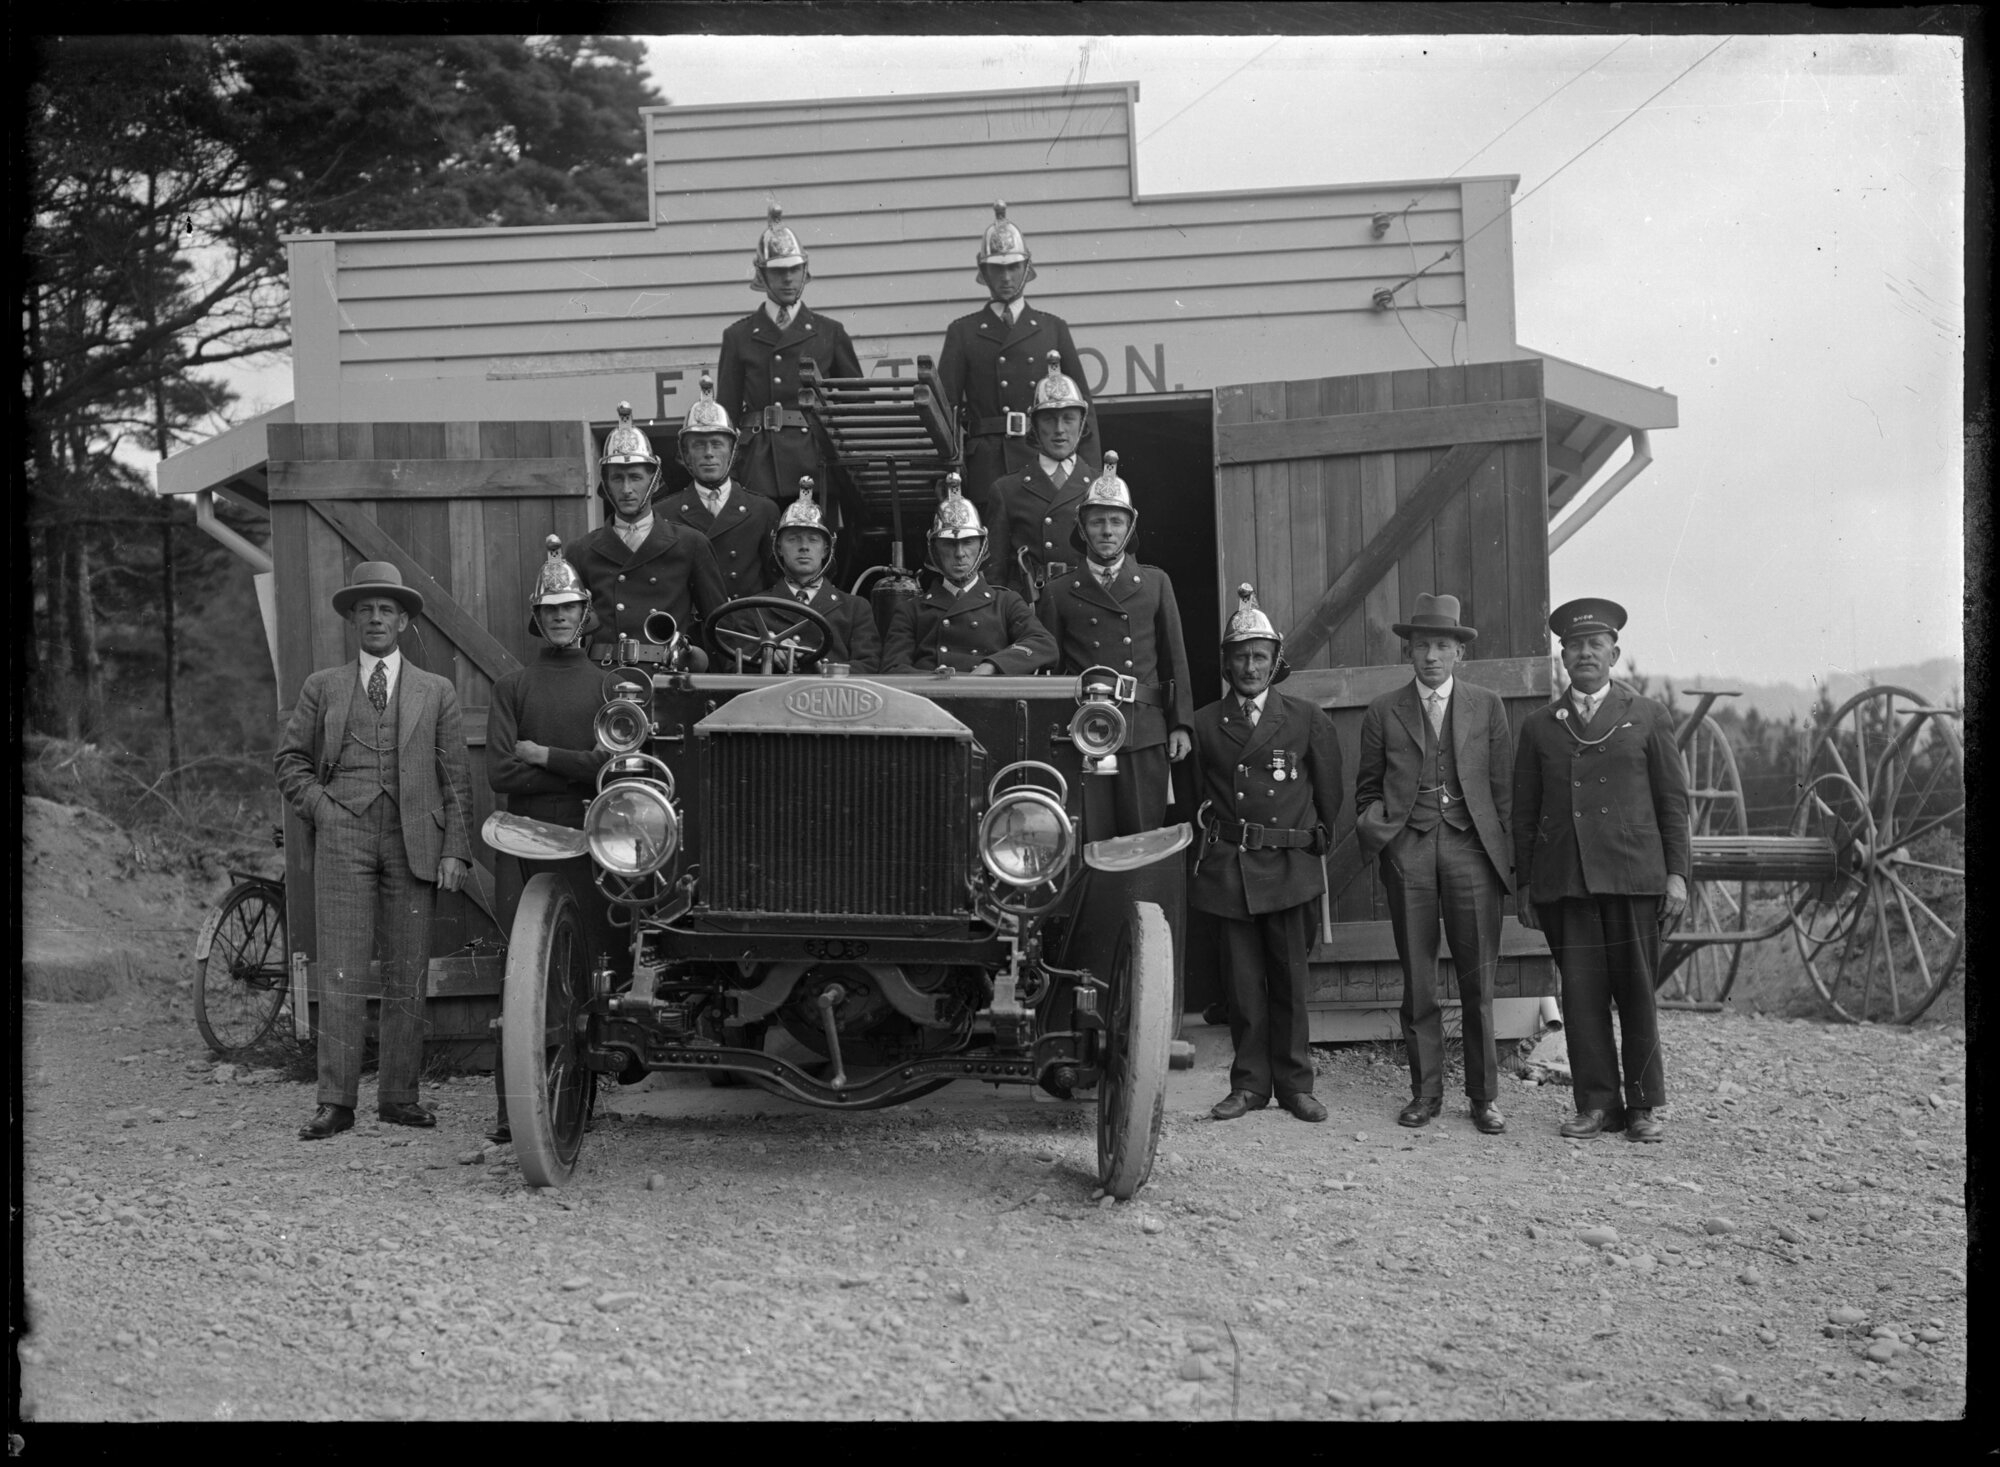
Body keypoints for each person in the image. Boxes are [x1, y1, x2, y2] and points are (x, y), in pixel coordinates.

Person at [273, 562, 473, 1140]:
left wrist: (455, 850)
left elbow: (456, 776)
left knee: (408, 970)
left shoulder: (437, 691)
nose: (377, 618)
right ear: (352, 620)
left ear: (404, 620)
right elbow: (290, 762)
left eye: (387, 609)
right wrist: (322, 808)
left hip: (415, 838)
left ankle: (398, 1097)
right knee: (341, 968)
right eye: (366, 609)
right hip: (344, 836)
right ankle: (336, 1101)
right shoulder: (324, 686)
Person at [1512, 597, 1690, 1143]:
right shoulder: (1541, 726)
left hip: (1634, 878)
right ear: (1562, 656)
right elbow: (1524, 811)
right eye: (1574, 646)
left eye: (1596, 645)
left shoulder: (1648, 715)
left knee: (1637, 992)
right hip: (1568, 882)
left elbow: (1673, 802)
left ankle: (1642, 1107)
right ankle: (1596, 1105)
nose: (1585, 653)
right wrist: (1526, 884)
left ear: (1614, 651)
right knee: (1582, 998)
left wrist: (1678, 875)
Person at [1354, 593, 1515, 1135]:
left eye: (1442, 646)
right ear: (1409, 651)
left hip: (1472, 850)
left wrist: (1503, 856)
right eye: (1422, 646)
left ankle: (1484, 1097)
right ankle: (1424, 1094)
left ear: (1458, 653)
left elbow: (1503, 791)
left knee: (1478, 980)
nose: (1431, 657)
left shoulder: (1487, 705)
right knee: (1418, 979)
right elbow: (1367, 790)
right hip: (1412, 850)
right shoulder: (1384, 710)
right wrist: (1390, 840)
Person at [1189, 585, 1343, 1124]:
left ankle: (1296, 1085)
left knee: (1291, 982)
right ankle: (1250, 1085)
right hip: (1231, 868)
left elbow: (1330, 796)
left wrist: (1309, 841)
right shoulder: (1205, 722)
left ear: (1276, 662)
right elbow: (1193, 797)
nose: (1250, 666)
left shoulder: (1304, 717)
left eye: (1259, 656)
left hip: (1289, 867)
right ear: (1227, 664)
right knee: (1243, 987)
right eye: (1240, 657)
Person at [483, 537, 617, 1142]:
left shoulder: (610, 686)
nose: (561, 618)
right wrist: (576, 761)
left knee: (583, 968)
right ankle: (514, 1112)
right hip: (527, 837)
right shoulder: (513, 687)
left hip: (593, 834)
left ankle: (575, 1105)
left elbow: (612, 767)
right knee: (525, 971)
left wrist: (545, 754)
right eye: (550, 610)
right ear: (536, 618)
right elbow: (500, 773)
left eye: (570, 608)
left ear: (584, 614)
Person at [1034, 452, 1194, 834]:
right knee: (1089, 837)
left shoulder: (1156, 584)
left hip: (1143, 731)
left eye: (1116, 521)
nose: (1107, 531)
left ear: (1130, 526)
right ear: (1083, 528)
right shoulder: (1058, 592)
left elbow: (1176, 660)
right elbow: (1051, 671)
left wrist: (1181, 724)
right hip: (1084, 733)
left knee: (1142, 838)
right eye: (1098, 521)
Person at [936, 202, 1101, 524]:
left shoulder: (1052, 328)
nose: (1006, 277)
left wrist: (1092, 473)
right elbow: (946, 412)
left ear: (1027, 268)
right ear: (983, 272)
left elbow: (1085, 409)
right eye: (997, 269)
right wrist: (948, 474)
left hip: (1043, 456)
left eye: (1013, 267)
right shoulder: (963, 331)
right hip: (987, 463)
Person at [715, 205, 864, 507]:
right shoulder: (738, 337)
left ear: (805, 271)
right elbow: (726, 415)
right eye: (778, 271)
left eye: (794, 270)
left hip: (816, 459)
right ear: (762, 276)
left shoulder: (830, 332)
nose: (787, 279)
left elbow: (855, 405)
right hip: (760, 462)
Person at [565, 399, 727, 664]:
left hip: (668, 679)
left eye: (636, 477)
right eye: (617, 478)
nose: (627, 488)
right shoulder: (581, 550)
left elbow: (717, 626)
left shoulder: (690, 544)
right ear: (605, 484)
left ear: (653, 480)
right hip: (603, 677)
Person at [880, 474, 1056, 676]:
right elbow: (892, 668)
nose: (960, 553)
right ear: (934, 549)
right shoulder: (911, 611)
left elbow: (1043, 644)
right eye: (949, 544)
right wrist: (933, 680)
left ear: (982, 545)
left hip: (987, 699)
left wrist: (991, 666)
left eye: (968, 542)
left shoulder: (1005, 602)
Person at [657, 374, 781, 602]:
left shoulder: (763, 510)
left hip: (749, 630)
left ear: (732, 451)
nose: (708, 453)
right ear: (685, 454)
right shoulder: (664, 514)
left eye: (716, 444)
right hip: (693, 633)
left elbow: (777, 583)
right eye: (698, 445)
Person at [989, 352, 1098, 601]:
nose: (1059, 429)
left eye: (1068, 419)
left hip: (1086, 610)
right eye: (1049, 419)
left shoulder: (1100, 485)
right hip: (1030, 612)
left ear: (1081, 424)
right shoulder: (1006, 490)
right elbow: (995, 576)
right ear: (1035, 427)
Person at [749, 478, 880, 673]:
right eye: (793, 539)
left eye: (813, 539)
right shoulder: (754, 608)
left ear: (826, 549)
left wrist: (824, 669)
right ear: (779, 548)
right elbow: (735, 664)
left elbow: (869, 666)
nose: (804, 547)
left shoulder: (855, 609)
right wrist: (767, 653)